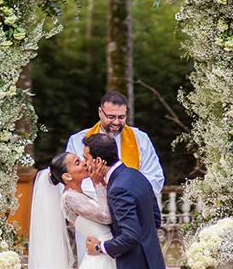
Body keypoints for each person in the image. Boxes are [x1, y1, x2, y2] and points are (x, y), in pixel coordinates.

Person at [66, 92, 164, 264]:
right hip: (96, 224)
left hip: (129, 226)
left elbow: (154, 178)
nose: (116, 122)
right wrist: (102, 197)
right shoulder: (79, 141)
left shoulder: (140, 139)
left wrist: (123, 200)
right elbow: (70, 181)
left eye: (121, 117)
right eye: (111, 117)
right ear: (100, 112)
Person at [82, 133, 164, 269]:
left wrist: (99, 247)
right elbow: (156, 219)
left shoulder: (118, 189)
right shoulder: (136, 174)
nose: (84, 162)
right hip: (153, 260)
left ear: (97, 161)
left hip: (134, 263)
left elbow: (131, 236)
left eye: (86, 158)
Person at [28, 151, 115, 269]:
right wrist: (98, 183)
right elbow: (106, 217)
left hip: (106, 251)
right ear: (67, 176)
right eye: (77, 163)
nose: (84, 163)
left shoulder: (81, 193)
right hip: (99, 258)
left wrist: (102, 183)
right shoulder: (69, 198)